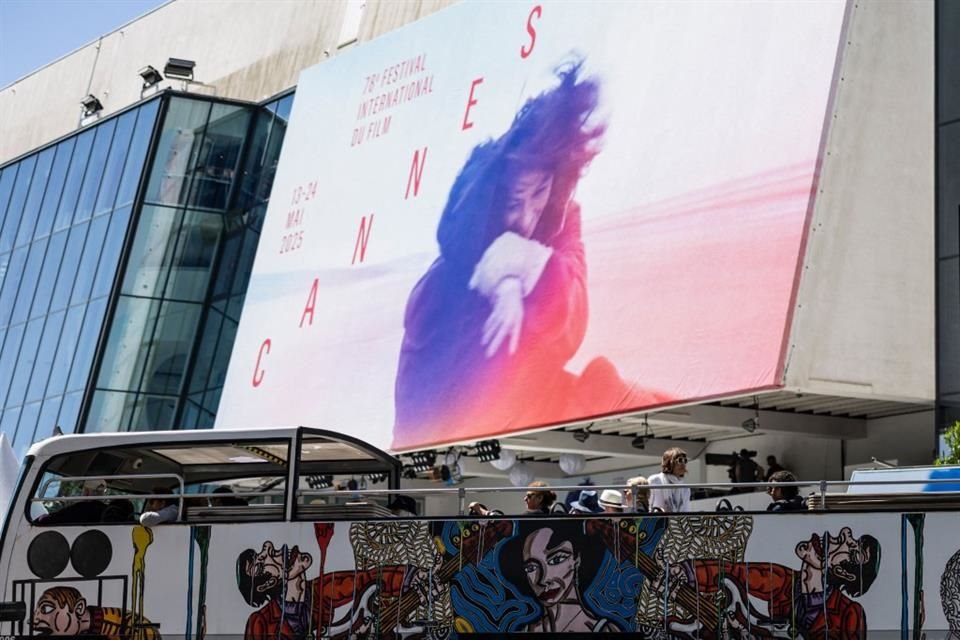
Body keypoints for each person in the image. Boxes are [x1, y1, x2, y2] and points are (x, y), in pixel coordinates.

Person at [393, 60, 670, 450]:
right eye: (513, 201)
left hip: (534, 414)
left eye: (538, 195)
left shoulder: (562, 222)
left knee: (644, 407)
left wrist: (522, 261)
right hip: (471, 437)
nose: (526, 217)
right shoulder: (442, 283)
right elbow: (459, 235)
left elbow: (570, 323)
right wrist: (505, 275)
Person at [657, 527, 880, 639]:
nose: (846, 533)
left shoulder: (850, 613)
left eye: (854, 550)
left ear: (843, 571)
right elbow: (733, 573)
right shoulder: (783, 580)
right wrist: (683, 571)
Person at [499, 519, 619, 632]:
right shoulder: (527, 630)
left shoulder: (604, 629)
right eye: (531, 568)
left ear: (577, 560)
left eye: (556, 560)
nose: (543, 579)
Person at [647, 448, 690, 513]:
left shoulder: (685, 488)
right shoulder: (654, 480)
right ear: (669, 462)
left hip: (677, 522)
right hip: (657, 521)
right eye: (680, 460)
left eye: (685, 460)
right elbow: (648, 506)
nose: (683, 464)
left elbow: (686, 511)